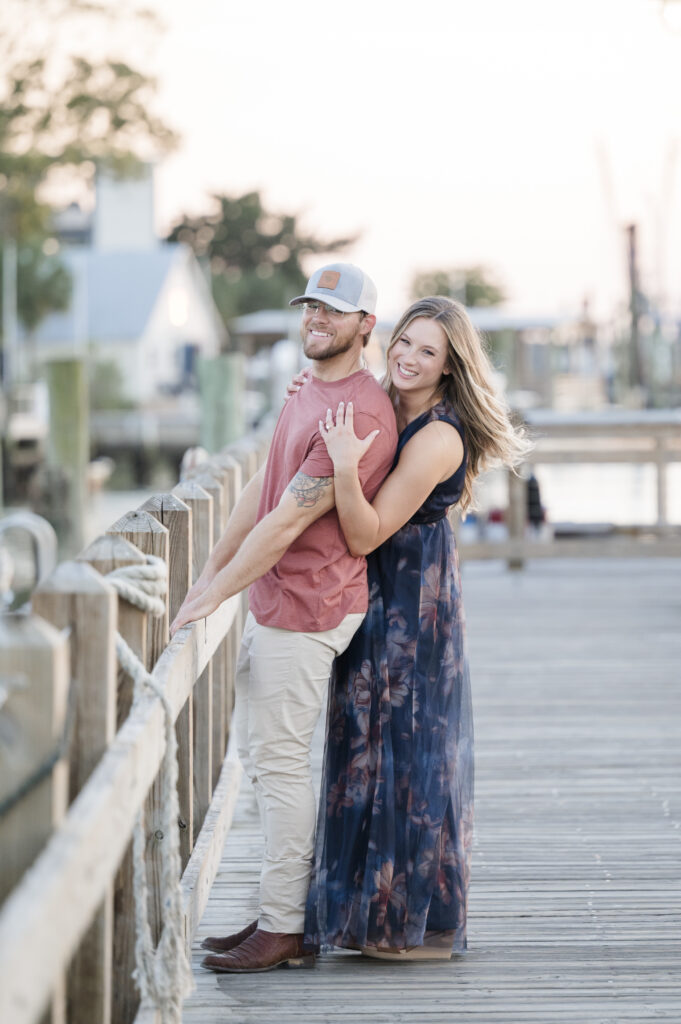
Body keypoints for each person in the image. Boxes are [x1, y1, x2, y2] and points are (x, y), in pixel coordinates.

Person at [169, 263, 398, 973]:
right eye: (309, 309)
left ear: (365, 325)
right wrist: (212, 570)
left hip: (308, 607)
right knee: (268, 765)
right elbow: (260, 497)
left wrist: (213, 596)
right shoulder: (306, 392)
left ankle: (284, 926)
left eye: (331, 312)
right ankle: (277, 912)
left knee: (280, 764)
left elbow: (289, 523)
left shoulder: (356, 413)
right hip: (278, 602)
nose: (314, 321)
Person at [299, 295, 531, 960]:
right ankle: (362, 914)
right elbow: (329, 403)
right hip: (370, 595)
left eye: (426, 351)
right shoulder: (381, 399)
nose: (407, 357)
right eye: (404, 342)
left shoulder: (436, 436)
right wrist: (307, 394)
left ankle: (415, 924)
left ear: (448, 367)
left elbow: (367, 527)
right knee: (361, 746)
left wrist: (343, 465)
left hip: (411, 604)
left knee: (407, 752)